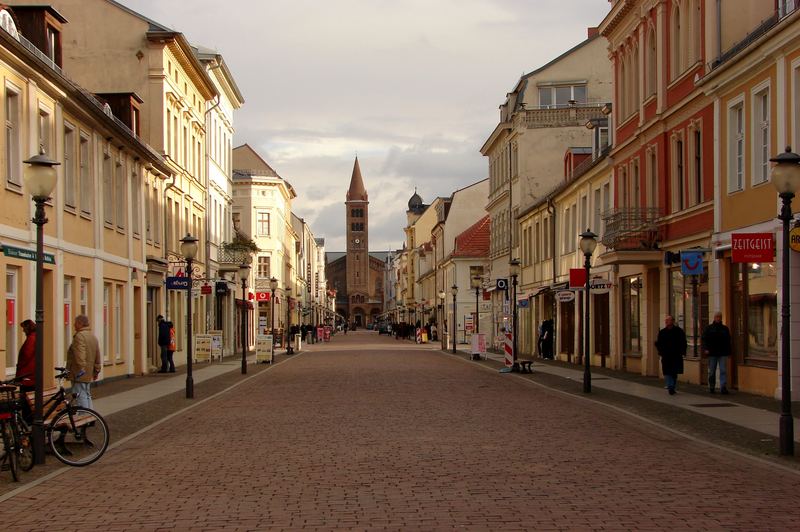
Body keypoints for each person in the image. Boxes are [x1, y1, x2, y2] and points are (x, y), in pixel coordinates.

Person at [66, 314, 101, 409]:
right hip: (88, 371)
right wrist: (96, 370)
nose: (73, 325)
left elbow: (80, 356)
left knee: (79, 395)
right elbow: (97, 356)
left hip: (79, 373)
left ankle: (84, 416)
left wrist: (81, 370)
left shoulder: (79, 336)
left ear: (80, 323)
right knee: (87, 394)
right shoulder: (92, 336)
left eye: (75, 323)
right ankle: (91, 415)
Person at [655, 315, 687, 395]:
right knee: (666, 371)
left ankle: (672, 386)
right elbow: (659, 343)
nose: (666, 322)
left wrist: (683, 351)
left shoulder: (679, 331)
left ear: (672, 321)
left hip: (676, 355)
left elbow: (683, 342)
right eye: (666, 320)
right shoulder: (662, 332)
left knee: (674, 372)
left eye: (668, 320)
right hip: (666, 355)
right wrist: (660, 351)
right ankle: (670, 386)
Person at [702, 311, 731, 394]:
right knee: (712, 371)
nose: (718, 318)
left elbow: (728, 341)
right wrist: (706, 349)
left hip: (722, 353)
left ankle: (723, 387)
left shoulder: (725, 329)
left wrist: (728, 352)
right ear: (714, 318)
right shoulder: (709, 328)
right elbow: (704, 339)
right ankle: (712, 386)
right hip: (712, 353)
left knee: (723, 370)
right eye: (717, 317)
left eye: (719, 317)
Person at [15, 319, 36, 422]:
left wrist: (19, 369)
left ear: (28, 328)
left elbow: (26, 356)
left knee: (26, 403)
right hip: (32, 375)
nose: (23, 331)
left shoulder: (31, 339)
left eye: (24, 328)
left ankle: (27, 422)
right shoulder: (35, 337)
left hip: (27, 376)